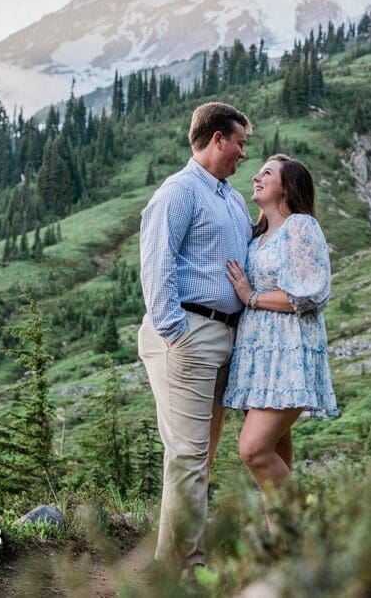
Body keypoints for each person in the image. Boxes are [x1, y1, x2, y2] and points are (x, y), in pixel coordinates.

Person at [137, 101, 253, 574]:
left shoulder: (233, 198)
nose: (244, 154)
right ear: (218, 139)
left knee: (198, 456)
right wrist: (175, 332)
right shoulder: (179, 192)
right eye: (240, 143)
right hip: (189, 333)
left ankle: (173, 562)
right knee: (188, 453)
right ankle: (185, 572)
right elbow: (156, 262)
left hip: (224, 336)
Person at [223, 154, 339, 504]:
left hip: (288, 354)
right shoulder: (256, 236)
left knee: (254, 449)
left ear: (286, 187)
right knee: (276, 454)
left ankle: (307, 529)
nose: (256, 177)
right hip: (257, 358)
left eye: (267, 173)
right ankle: (284, 549)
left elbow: (309, 294)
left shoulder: (300, 227)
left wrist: (251, 296)